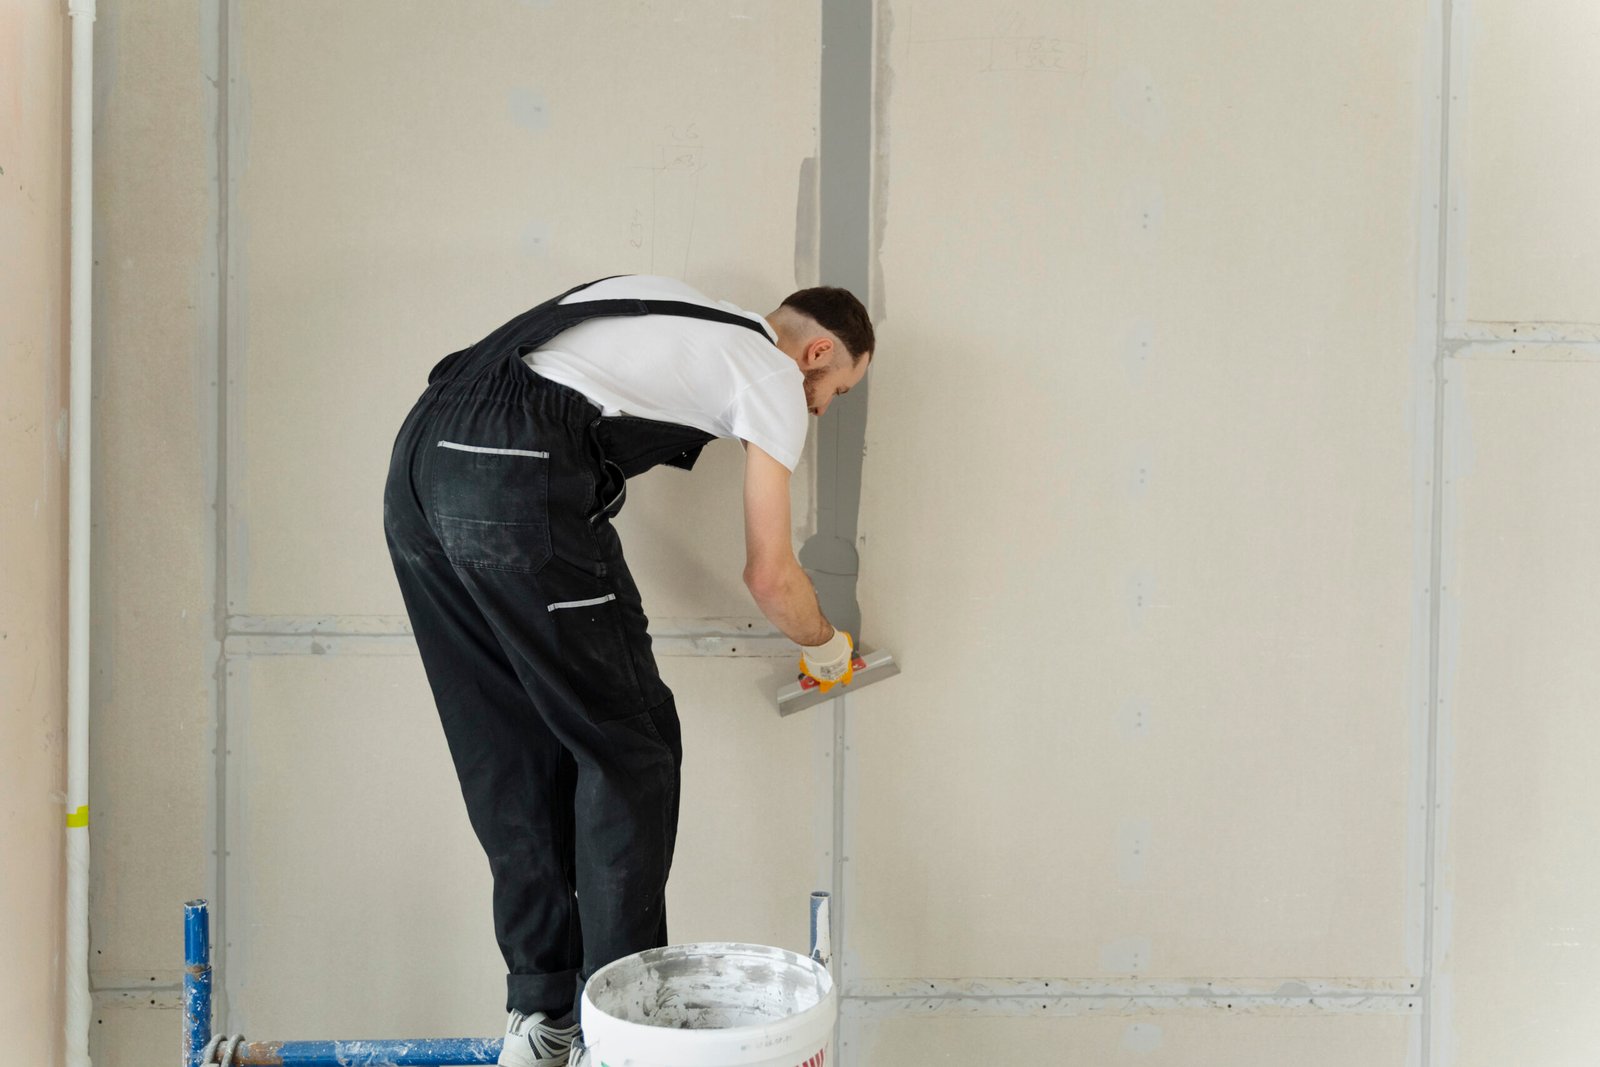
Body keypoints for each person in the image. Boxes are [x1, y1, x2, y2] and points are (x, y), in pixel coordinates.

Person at [381, 273, 874, 1067]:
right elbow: (771, 576)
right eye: (836, 388)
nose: (820, 407)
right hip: (511, 473)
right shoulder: (773, 372)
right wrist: (827, 646)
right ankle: (624, 1039)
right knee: (630, 749)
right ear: (817, 351)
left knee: (505, 746)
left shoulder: (657, 300)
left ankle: (543, 1019)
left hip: (419, 462)